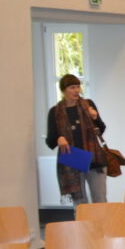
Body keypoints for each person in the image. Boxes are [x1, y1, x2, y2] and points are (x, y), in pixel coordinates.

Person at [46, 73, 108, 205]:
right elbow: (50, 140)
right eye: (72, 87)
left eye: (78, 87)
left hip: (94, 159)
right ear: (63, 90)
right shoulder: (55, 112)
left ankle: (102, 220)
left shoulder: (88, 104)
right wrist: (59, 138)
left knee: (100, 200)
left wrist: (95, 118)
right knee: (80, 203)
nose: (76, 90)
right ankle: (82, 220)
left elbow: (101, 129)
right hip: (72, 160)